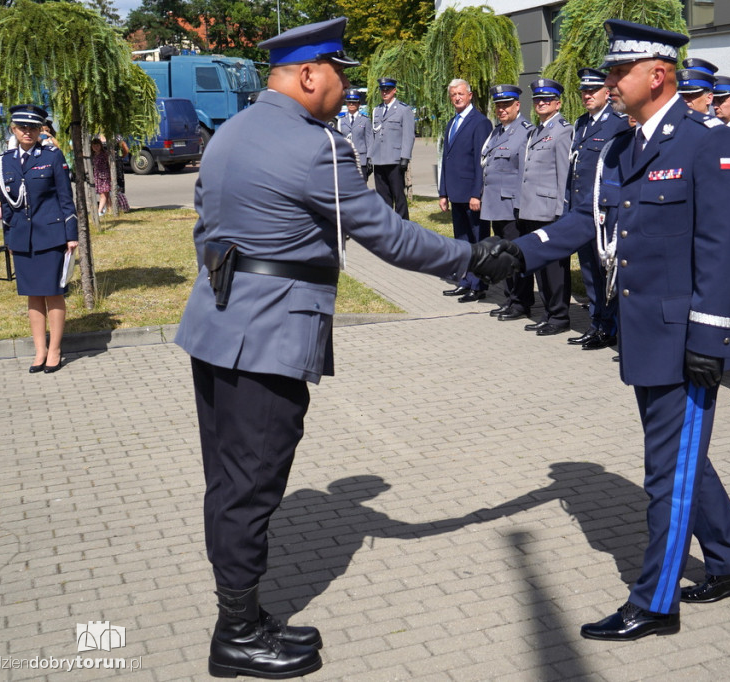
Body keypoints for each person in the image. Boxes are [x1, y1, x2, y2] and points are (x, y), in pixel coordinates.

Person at [173, 18, 515, 679]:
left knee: (226, 481)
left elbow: (205, 221)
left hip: (214, 324)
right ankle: (236, 635)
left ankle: (241, 614)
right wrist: (469, 256)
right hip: (268, 337)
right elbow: (388, 236)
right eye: (339, 73)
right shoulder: (315, 147)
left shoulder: (230, 133)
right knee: (251, 486)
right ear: (307, 75)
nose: (345, 86)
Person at [495, 19, 730, 641]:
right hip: (643, 333)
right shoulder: (624, 145)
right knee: (682, 459)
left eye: (619, 73)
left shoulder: (708, 144)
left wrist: (710, 338)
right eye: (611, 73)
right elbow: (582, 222)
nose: (610, 83)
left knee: (665, 472)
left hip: (686, 339)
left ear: (658, 75)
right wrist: (513, 253)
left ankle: (655, 602)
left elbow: (723, 251)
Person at [0, 104, 78, 374]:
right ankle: (39, 350)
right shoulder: (5, 160)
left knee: (53, 294)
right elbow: (7, 206)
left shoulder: (52, 156)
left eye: (33, 127)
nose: (27, 132)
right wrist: (9, 238)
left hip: (51, 235)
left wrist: (71, 235)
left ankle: (54, 350)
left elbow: (66, 198)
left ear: (40, 129)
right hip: (22, 238)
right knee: (32, 296)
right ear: (13, 129)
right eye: (22, 127)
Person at [566, 67, 630, 350]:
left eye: (593, 90)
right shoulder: (581, 124)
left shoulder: (617, 123)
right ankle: (596, 323)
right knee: (589, 269)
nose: (587, 96)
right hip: (581, 209)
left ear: (607, 92)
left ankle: (611, 327)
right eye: (584, 92)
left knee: (607, 271)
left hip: (604, 210)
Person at [516, 78, 574, 336]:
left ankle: (560, 316)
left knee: (555, 267)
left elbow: (564, 175)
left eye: (546, 99)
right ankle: (548, 312)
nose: (541, 103)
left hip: (550, 210)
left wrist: (563, 211)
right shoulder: (536, 131)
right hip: (531, 208)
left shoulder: (563, 131)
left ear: (558, 103)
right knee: (540, 264)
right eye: (538, 100)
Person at [480, 84, 534, 321]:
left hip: (512, 207)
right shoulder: (498, 132)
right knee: (503, 256)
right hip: (495, 204)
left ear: (517, 105)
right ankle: (510, 297)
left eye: (506, 105)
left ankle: (522, 302)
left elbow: (524, 173)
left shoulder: (525, 132)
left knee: (515, 255)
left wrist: (523, 207)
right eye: (498, 106)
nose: (501, 110)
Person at [439, 78, 494, 303]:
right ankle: (465, 280)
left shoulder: (480, 123)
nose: (457, 98)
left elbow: (482, 161)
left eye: (461, 94)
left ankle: (479, 285)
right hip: (455, 192)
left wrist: (476, 193)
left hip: (471, 194)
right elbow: (446, 159)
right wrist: (443, 192)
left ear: (470, 95)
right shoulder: (452, 122)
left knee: (478, 240)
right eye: (453, 95)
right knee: (462, 240)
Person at [370, 77, 414, 219]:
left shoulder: (403, 110)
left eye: (388, 90)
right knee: (383, 197)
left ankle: (403, 225)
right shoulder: (376, 110)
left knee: (398, 196)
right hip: (379, 159)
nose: (385, 93)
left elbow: (408, 135)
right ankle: (387, 225)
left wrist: (405, 157)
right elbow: (373, 135)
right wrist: (370, 156)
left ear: (394, 91)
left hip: (395, 160)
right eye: (382, 90)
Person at [337, 88, 372, 178]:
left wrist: (369, 158)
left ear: (359, 104)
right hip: (346, 159)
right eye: (349, 102)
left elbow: (369, 140)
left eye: (354, 102)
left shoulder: (365, 120)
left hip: (361, 160)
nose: (351, 104)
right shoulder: (341, 121)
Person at [90, 137, 111, 216]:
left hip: (104, 176)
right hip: (97, 177)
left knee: (103, 194)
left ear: (100, 146)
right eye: (94, 146)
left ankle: (99, 211)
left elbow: (109, 165)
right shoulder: (93, 155)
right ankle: (108, 208)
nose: (96, 147)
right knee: (103, 194)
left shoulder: (104, 154)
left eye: (97, 145)